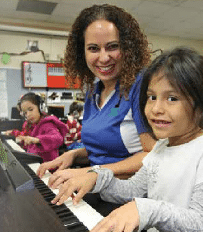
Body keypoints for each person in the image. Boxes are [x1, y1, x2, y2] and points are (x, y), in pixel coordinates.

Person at [50, 47, 203, 232]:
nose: (156, 108)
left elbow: (202, 224)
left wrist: (145, 209)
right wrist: (95, 177)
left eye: (172, 98)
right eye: (151, 97)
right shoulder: (162, 147)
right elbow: (132, 190)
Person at [37, 4, 156, 181]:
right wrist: (75, 155)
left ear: (128, 48)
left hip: (129, 193)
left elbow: (153, 155)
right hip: (97, 185)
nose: (103, 57)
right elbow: (104, 149)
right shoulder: (93, 91)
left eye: (112, 46)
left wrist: (91, 172)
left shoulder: (140, 85)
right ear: (82, 53)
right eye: (93, 48)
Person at [5, 92, 69, 166]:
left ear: (41, 107)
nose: (28, 114)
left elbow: (58, 138)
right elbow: (30, 143)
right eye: (25, 113)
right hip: (36, 162)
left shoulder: (47, 124)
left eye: (31, 109)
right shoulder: (33, 125)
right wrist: (23, 140)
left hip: (48, 167)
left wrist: (37, 140)